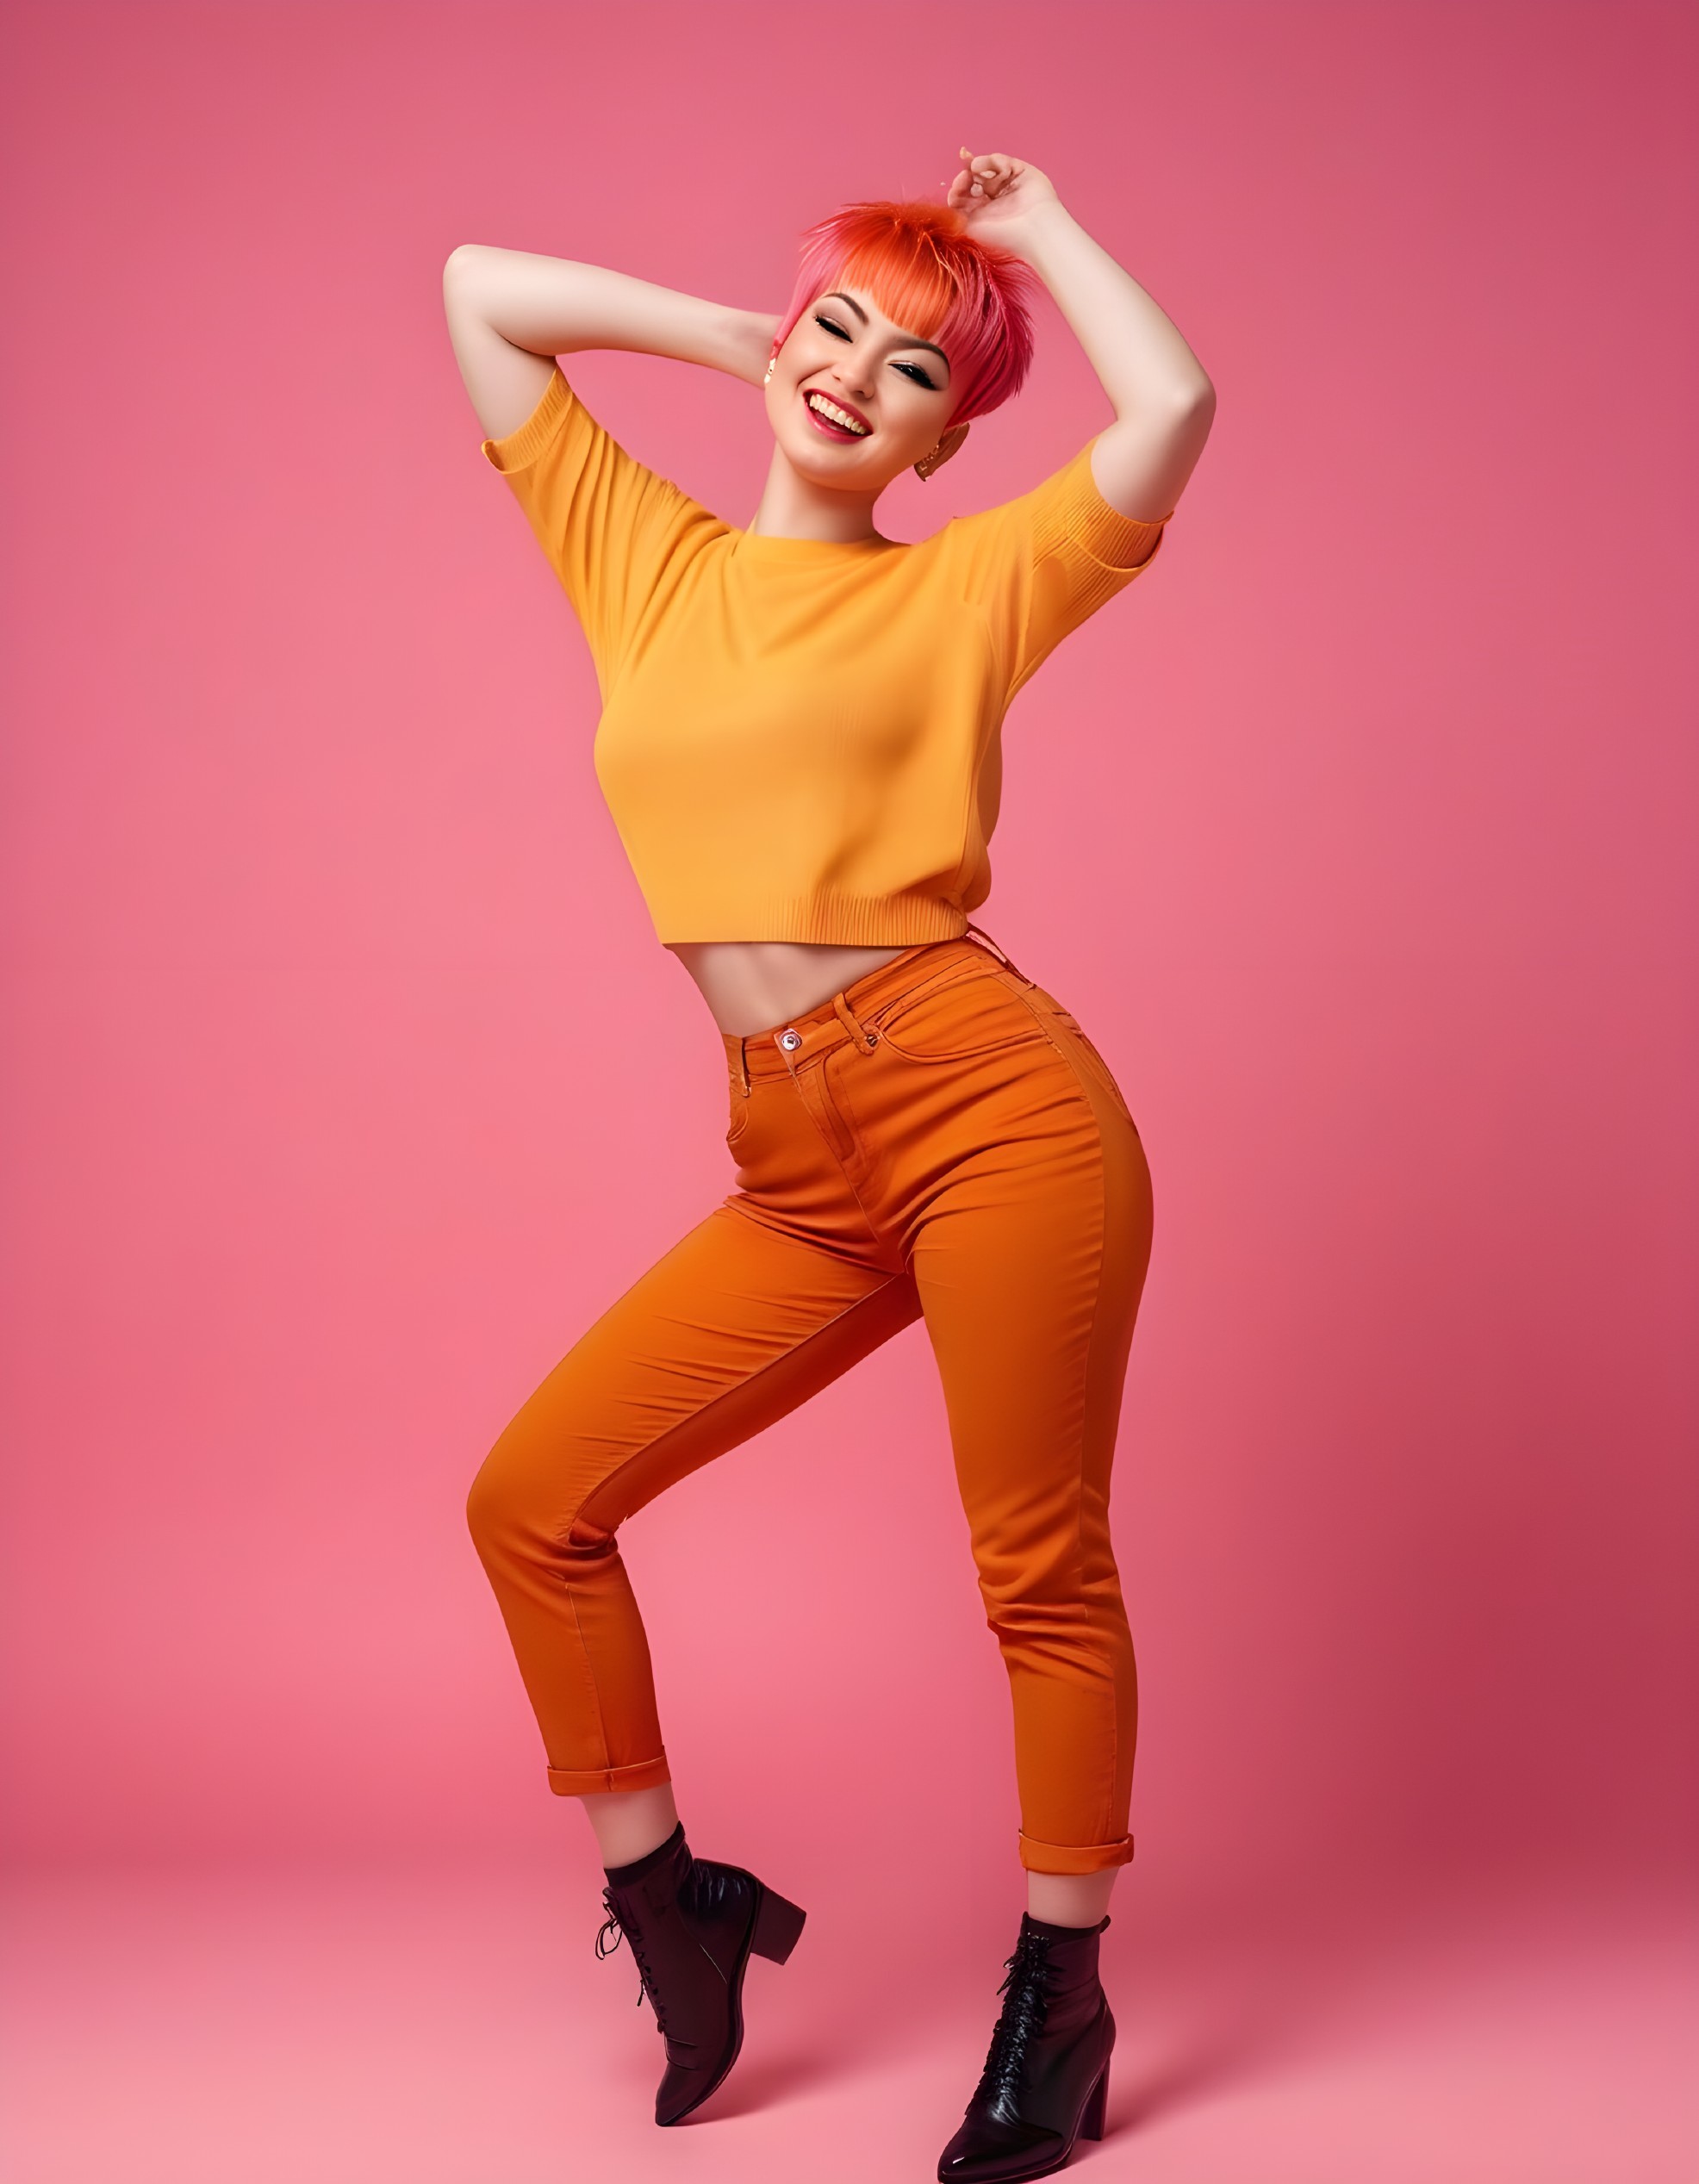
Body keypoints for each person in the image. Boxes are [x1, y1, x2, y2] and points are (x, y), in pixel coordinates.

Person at [442, 146, 1214, 2183]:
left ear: (948, 440)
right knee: (532, 1501)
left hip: (988, 1107)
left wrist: (1038, 236)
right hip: (791, 1152)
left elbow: (1171, 407)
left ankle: (1059, 1997)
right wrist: (745, 338)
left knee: (1033, 1561)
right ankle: (673, 1903)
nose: (856, 376)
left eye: (913, 371)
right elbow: (478, 284)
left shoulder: (967, 586)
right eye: (836, 330)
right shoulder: (643, 554)